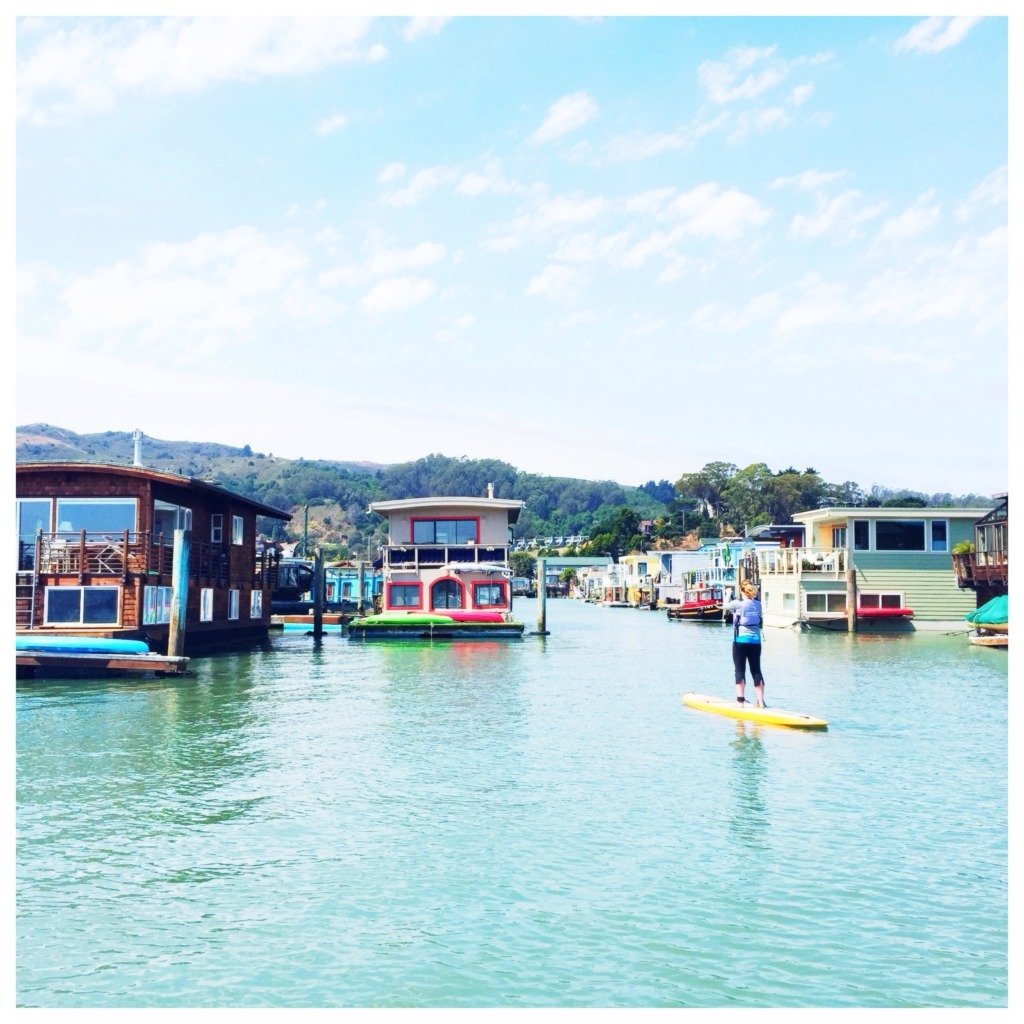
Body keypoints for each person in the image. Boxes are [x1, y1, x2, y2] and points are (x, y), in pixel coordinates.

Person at [724, 581, 765, 707]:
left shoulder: (738, 603)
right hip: (756, 641)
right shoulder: (758, 604)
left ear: (741, 591)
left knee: (740, 670)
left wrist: (728, 593)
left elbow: (725, 606)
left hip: (740, 641)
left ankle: (740, 702)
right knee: (756, 670)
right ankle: (761, 702)